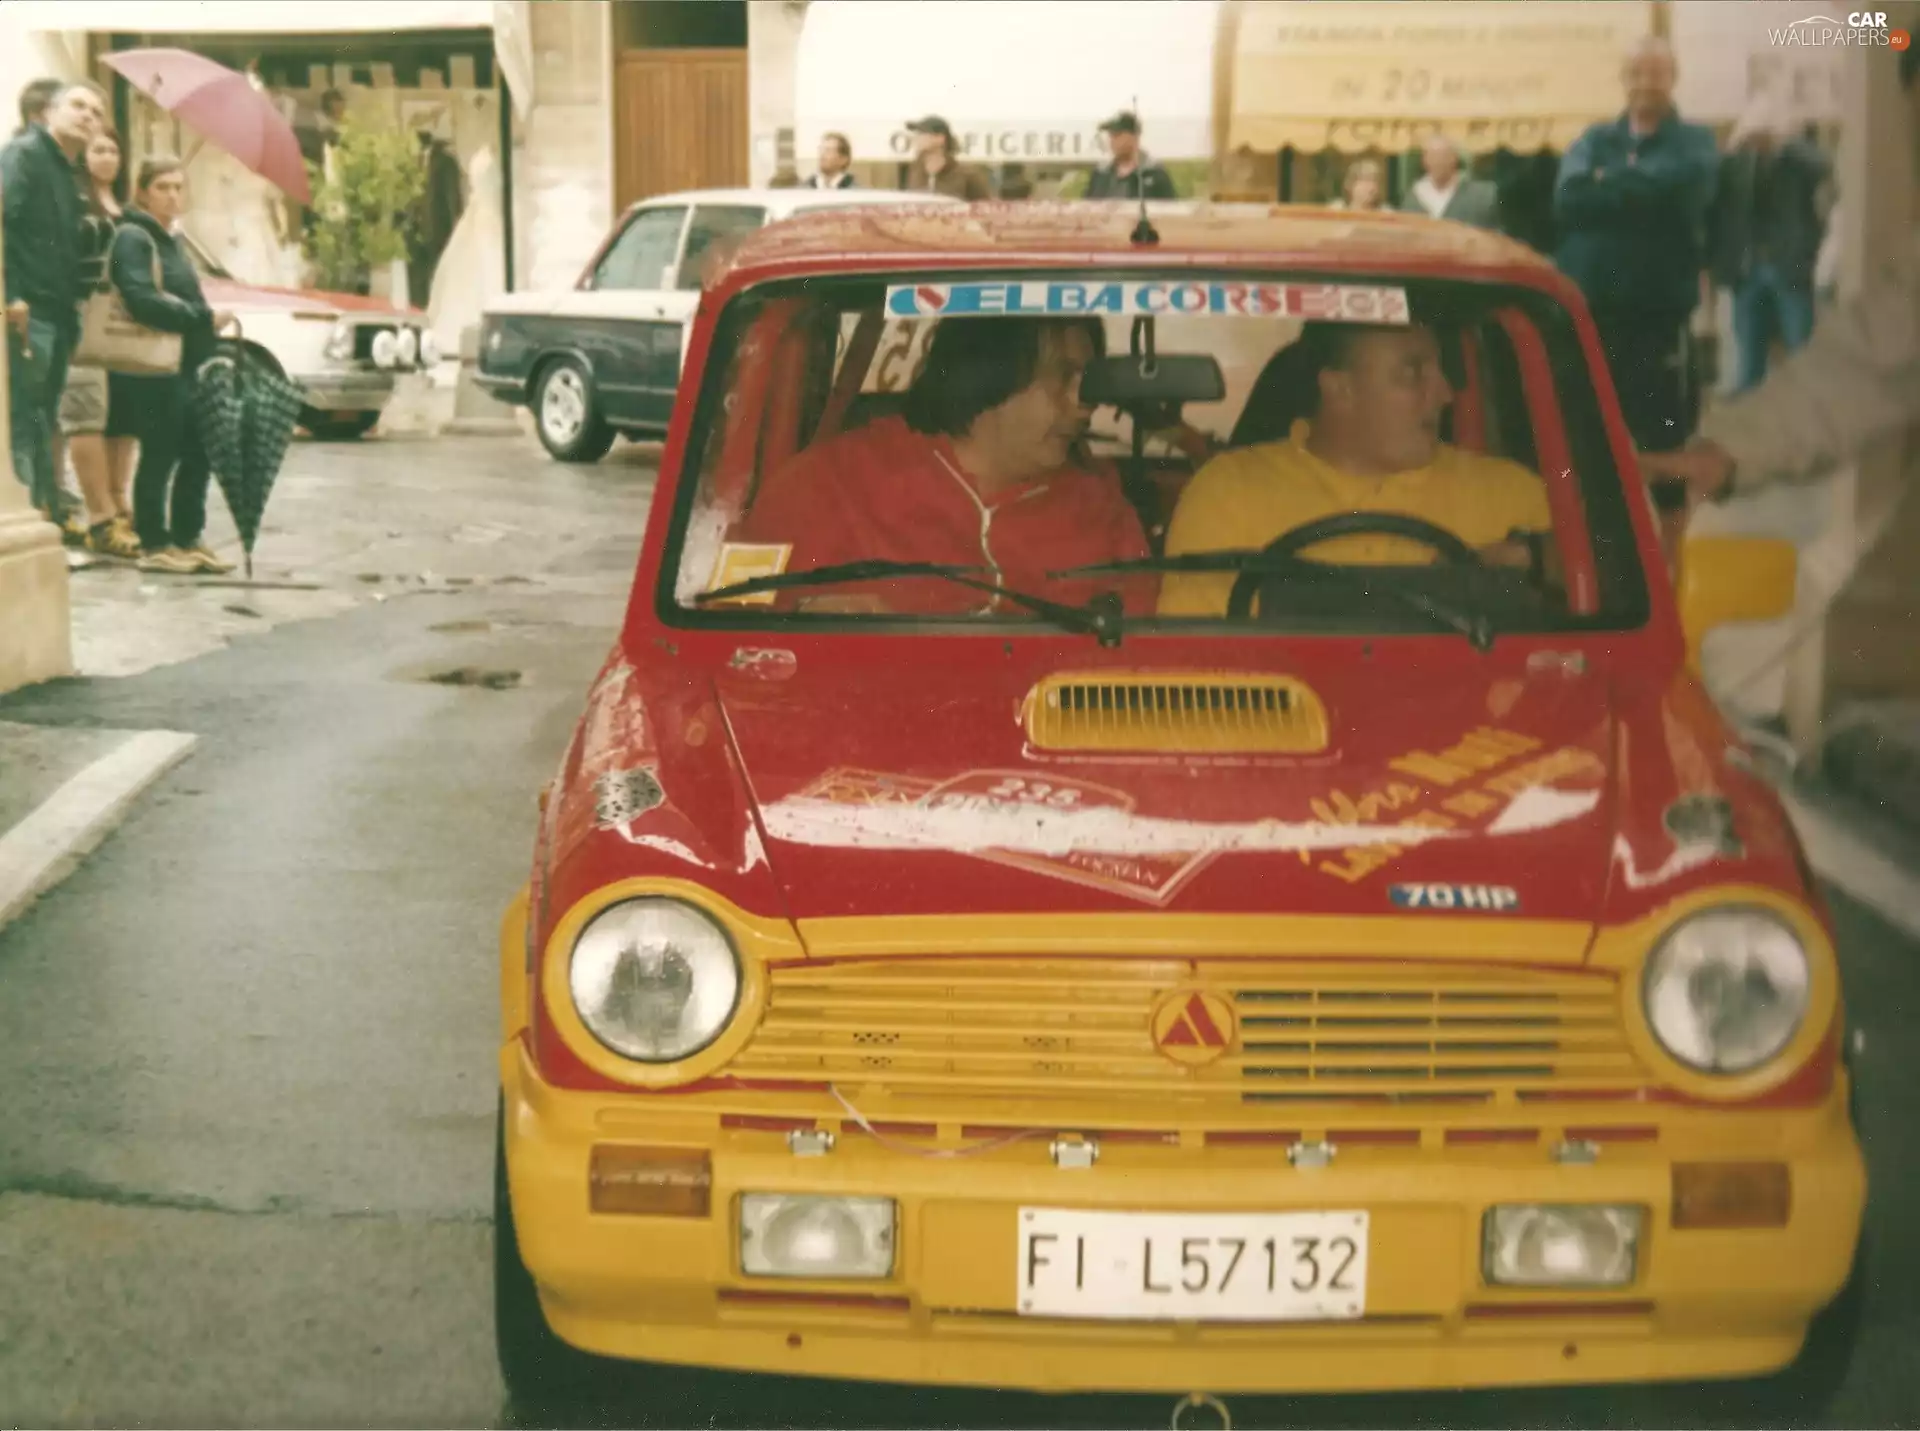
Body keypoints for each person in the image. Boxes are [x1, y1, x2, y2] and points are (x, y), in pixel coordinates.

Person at [1644, 44, 1920, 507]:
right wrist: (1731, 450)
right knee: (1758, 356)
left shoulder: (1798, 153)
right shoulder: (1739, 156)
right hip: (1755, 273)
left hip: (1788, 272)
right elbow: (1869, 367)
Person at [736, 317, 1153, 614]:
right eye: (1064, 376)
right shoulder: (825, 486)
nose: (1086, 402)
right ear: (993, 376)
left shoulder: (1099, 505)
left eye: (1088, 378)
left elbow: (1142, 653)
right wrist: (806, 615)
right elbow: (730, 623)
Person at [1157, 321, 1553, 617]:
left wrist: (1533, 557)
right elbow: (1195, 665)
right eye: (1414, 373)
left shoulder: (1509, 492)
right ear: (1340, 390)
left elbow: (1599, 601)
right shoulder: (1229, 492)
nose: (1445, 395)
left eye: (1440, 372)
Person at [1554, 37, 1717, 454]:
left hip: (1656, 319)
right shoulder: (1594, 138)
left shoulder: (1695, 142)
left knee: (1662, 441)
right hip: (1591, 314)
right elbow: (1568, 197)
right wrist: (1644, 186)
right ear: (1624, 80)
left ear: (1673, 79)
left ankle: (1664, 519)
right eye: (1637, 73)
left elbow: (1685, 187)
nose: (1646, 83)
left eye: (1656, 73)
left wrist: (1605, 183)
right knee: (1587, 439)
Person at [109, 157, 236, 575]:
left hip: (189, 360)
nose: (172, 195)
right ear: (143, 191)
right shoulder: (134, 236)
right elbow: (141, 298)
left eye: (179, 187)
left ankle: (187, 536)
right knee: (161, 451)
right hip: (155, 366)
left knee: (199, 450)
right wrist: (201, 318)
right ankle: (154, 541)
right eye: (162, 187)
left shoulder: (172, 239)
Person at [3, 79, 105, 531]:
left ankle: (44, 519)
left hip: (60, 315)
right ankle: (26, 524)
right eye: (79, 105)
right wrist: (10, 298)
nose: (88, 116)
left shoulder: (68, 169)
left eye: (97, 112)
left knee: (43, 420)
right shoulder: (24, 153)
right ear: (50, 111)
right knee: (26, 421)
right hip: (30, 313)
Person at [1708, 93, 1830, 394]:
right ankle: (1752, 423)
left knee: (1802, 354)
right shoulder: (1736, 163)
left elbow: (1823, 166)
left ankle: (1806, 422)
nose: (1758, 141)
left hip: (1788, 268)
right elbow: (1721, 211)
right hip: (1747, 271)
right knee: (1748, 358)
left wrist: (1785, 141)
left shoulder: (1798, 162)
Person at [60, 124, 142, 561]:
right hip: (81, 314)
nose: (107, 157)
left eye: (113, 149)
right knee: (86, 410)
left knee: (123, 413)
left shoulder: (127, 209)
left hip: (123, 321)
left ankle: (117, 497)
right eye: (98, 149)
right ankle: (99, 514)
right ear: (83, 156)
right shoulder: (73, 203)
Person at [1400, 136, 1501, 229]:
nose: (1437, 162)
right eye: (1432, 156)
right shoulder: (1412, 198)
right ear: (1424, 161)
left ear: (1454, 158)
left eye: (1442, 156)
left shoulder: (1483, 195)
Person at [1086, 111, 1177, 200]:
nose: (1112, 140)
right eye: (1111, 135)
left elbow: (1170, 210)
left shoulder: (1154, 175)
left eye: (1118, 135)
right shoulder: (1101, 174)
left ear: (1135, 137)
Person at [904, 116, 992, 200]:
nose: (916, 138)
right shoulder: (916, 170)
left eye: (922, 134)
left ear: (940, 138)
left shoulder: (967, 174)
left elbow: (985, 207)